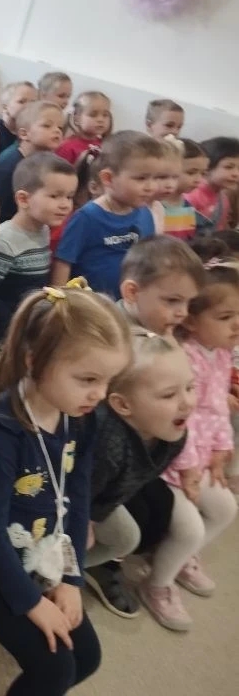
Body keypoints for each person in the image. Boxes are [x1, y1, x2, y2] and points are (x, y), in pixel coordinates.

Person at [0, 282, 132, 696]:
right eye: (87, 379)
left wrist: (72, 578)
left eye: (107, 380)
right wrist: (32, 603)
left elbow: (76, 501)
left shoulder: (79, 417)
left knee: (86, 658)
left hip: (39, 556)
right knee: (54, 668)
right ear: (34, 359)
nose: (100, 394)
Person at [143, 259, 239, 630]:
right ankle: (157, 584)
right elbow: (180, 421)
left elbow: (217, 411)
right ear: (193, 322)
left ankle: (181, 560)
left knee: (226, 509)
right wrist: (190, 469)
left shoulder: (220, 355)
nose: (236, 325)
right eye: (226, 317)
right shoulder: (184, 358)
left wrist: (221, 449)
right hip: (170, 465)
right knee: (190, 528)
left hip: (198, 460)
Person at [85, 332, 193, 619]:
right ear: (123, 405)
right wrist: (86, 521)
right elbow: (77, 490)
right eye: (169, 395)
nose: (187, 402)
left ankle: (66, 571)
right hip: (65, 493)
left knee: (127, 538)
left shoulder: (174, 436)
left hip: (103, 495)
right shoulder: (107, 444)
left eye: (190, 387)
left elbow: (129, 484)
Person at [0, 152, 76, 343]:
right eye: (55, 196)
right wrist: (18, 330)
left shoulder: (43, 230)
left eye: (69, 197)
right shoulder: (3, 241)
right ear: (24, 199)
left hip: (31, 325)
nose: (65, 205)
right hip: (5, 335)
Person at [52, 131, 163, 296]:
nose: (151, 187)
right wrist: (59, 302)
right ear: (108, 178)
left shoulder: (146, 214)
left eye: (156, 178)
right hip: (92, 305)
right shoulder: (87, 217)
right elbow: (63, 263)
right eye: (141, 178)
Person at [0, 100, 66, 221]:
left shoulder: (48, 161)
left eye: (60, 127)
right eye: (47, 126)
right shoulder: (8, 166)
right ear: (24, 134)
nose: (57, 131)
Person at [185, 136, 239, 233]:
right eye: (229, 167)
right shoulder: (192, 196)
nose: (236, 174)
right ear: (207, 168)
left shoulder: (223, 198)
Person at [57, 92, 113, 167]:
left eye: (105, 115)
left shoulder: (105, 145)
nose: (100, 119)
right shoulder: (67, 147)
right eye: (93, 115)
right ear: (77, 118)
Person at [0, 80, 37, 155]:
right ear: (5, 106)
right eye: (21, 101)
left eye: (33, 102)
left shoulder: (34, 131)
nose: (29, 106)